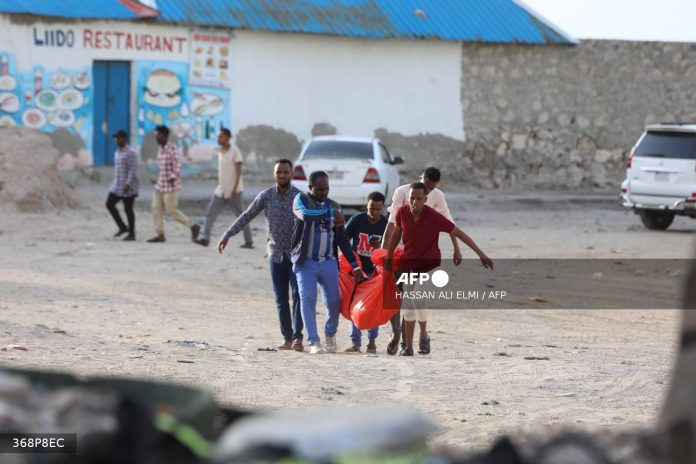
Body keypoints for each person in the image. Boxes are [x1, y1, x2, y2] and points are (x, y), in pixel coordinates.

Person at [384, 182, 493, 356]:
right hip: (410, 267)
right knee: (408, 306)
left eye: (419, 199)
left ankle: (424, 335)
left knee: (418, 298)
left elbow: (458, 233)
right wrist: (388, 256)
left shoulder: (434, 216)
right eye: (412, 198)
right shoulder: (402, 213)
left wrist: (481, 254)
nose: (414, 202)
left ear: (425, 200)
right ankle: (409, 347)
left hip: (431, 267)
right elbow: (396, 234)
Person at [217, 159, 304, 351]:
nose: (282, 175)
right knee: (281, 299)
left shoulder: (300, 197)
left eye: (285, 172)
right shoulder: (266, 196)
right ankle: (287, 339)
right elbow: (247, 215)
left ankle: (298, 338)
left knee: (298, 295)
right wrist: (228, 234)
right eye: (279, 172)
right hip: (275, 256)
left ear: (292, 174)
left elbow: (312, 222)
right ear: (274, 174)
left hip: (296, 255)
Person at [381, 167, 462, 355]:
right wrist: (384, 253)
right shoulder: (402, 192)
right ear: (420, 179)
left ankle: (420, 337)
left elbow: (449, 222)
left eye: (431, 189)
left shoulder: (437, 196)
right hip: (401, 252)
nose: (427, 191)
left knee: (415, 297)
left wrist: (456, 248)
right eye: (425, 185)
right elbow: (392, 224)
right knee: (398, 295)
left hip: (423, 254)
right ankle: (398, 336)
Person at [291, 171, 363, 355]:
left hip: (329, 262)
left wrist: (354, 264)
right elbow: (306, 215)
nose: (324, 192)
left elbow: (343, 240)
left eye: (326, 189)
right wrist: (330, 213)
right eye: (319, 189)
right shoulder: (301, 200)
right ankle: (313, 342)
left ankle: (330, 334)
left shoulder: (334, 206)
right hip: (305, 262)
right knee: (308, 299)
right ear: (310, 188)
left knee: (334, 302)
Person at [343, 191, 388, 354]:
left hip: (375, 273)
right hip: (357, 271)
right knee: (354, 307)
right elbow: (344, 241)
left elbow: (389, 251)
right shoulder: (357, 220)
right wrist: (351, 266)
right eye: (371, 208)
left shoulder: (385, 224)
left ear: (383, 208)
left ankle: (372, 341)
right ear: (366, 205)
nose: (374, 213)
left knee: (372, 308)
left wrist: (378, 249)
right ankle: (355, 343)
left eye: (377, 209)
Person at [195, 128, 253, 248]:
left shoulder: (235, 151)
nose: (218, 139)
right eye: (218, 137)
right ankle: (205, 239)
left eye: (220, 136)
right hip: (221, 190)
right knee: (210, 212)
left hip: (234, 191)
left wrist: (234, 189)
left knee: (241, 217)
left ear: (227, 137)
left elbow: (238, 172)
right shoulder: (220, 152)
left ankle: (249, 241)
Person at [147, 125, 200, 243]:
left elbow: (177, 165)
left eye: (158, 135)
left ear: (165, 136)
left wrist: (172, 177)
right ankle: (160, 234)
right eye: (156, 135)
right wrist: (156, 179)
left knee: (171, 210)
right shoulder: (160, 149)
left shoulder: (172, 148)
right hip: (160, 185)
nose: (156, 138)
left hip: (171, 186)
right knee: (156, 208)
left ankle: (193, 226)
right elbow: (161, 167)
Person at [106, 130, 139, 241]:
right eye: (116, 138)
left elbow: (132, 169)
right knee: (109, 204)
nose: (118, 140)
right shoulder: (117, 152)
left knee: (128, 209)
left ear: (125, 138)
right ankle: (122, 227)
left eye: (120, 138)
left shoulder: (131, 153)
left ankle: (132, 234)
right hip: (117, 184)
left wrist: (128, 183)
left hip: (128, 186)